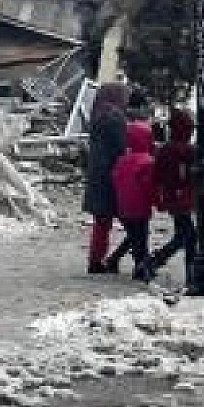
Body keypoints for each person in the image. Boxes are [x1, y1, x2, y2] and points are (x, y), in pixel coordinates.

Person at [82, 82, 129, 274]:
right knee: (133, 224)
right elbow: (120, 147)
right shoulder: (115, 118)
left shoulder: (97, 116)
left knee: (102, 222)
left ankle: (96, 259)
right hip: (112, 176)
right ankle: (118, 258)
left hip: (97, 174)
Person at [144, 108, 196, 279]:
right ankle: (156, 261)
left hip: (171, 196)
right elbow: (189, 176)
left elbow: (156, 175)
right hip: (182, 197)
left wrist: (158, 197)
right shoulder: (186, 151)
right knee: (187, 236)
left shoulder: (165, 149)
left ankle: (159, 262)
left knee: (186, 235)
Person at [105, 120, 157, 280]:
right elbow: (149, 185)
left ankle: (117, 259)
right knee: (140, 237)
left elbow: (114, 178)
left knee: (134, 235)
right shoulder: (147, 161)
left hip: (123, 206)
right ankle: (140, 266)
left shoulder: (122, 160)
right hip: (140, 206)